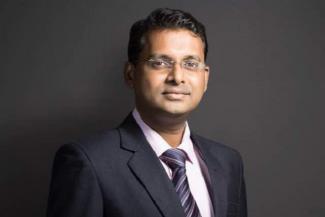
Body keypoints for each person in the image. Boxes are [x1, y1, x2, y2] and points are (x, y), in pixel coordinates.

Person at [47, 8, 247, 217]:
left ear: (205, 77)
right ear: (130, 74)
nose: (177, 77)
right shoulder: (89, 162)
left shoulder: (228, 163)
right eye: (160, 63)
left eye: (190, 64)